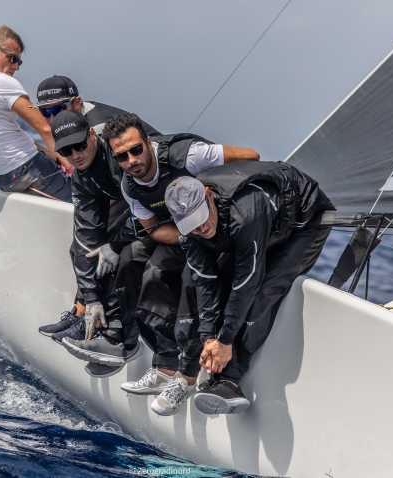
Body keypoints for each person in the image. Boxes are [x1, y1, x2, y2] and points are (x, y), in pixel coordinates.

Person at [58, 112, 259, 416]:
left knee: (192, 279)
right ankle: (147, 353)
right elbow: (152, 229)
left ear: (148, 143)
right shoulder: (130, 185)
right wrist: (187, 237)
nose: (132, 160)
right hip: (182, 233)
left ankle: (191, 374)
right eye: (122, 156)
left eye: (136, 150)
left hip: (222, 227)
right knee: (133, 260)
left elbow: (251, 157)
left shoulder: (189, 155)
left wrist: (225, 202)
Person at [164, 162, 335, 415]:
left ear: (208, 196)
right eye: (191, 225)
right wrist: (209, 336)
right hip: (263, 226)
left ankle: (231, 380)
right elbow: (205, 281)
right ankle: (189, 368)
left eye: (200, 218)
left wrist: (225, 340)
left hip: (304, 223)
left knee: (265, 288)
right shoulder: (191, 231)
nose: (200, 228)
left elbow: (248, 281)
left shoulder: (244, 213)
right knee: (200, 278)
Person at [37, 110, 142, 378]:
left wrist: (116, 246)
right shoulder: (81, 177)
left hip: (167, 211)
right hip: (136, 211)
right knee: (87, 250)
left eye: (80, 145)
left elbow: (146, 211)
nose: (75, 155)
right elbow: (86, 237)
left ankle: (121, 340)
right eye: (66, 151)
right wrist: (92, 297)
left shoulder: (120, 157)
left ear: (92, 134)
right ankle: (89, 317)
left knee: (126, 255)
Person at [0, 25, 72, 202]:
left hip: (2, 177)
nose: (16, 67)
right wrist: (74, 168)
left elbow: (9, 136)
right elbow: (45, 128)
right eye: (12, 58)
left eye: (19, 61)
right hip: (26, 171)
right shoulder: (1, 82)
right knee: (86, 200)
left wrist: (56, 157)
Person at [31, 75, 162, 137]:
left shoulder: (97, 127)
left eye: (58, 109)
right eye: (45, 112)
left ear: (76, 103)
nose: (53, 119)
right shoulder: (80, 116)